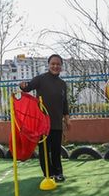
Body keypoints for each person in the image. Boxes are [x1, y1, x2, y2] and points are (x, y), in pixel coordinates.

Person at [19, 54, 70, 182]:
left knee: (56, 149)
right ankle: (48, 173)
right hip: (42, 123)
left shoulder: (62, 84)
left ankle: (58, 172)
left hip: (57, 122)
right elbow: (28, 87)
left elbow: (65, 103)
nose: (55, 66)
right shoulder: (41, 79)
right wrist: (23, 86)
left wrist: (67, 119)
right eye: (53, 64)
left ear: (61, 66)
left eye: (58, 64)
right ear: (48, 65)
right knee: (44, 150)